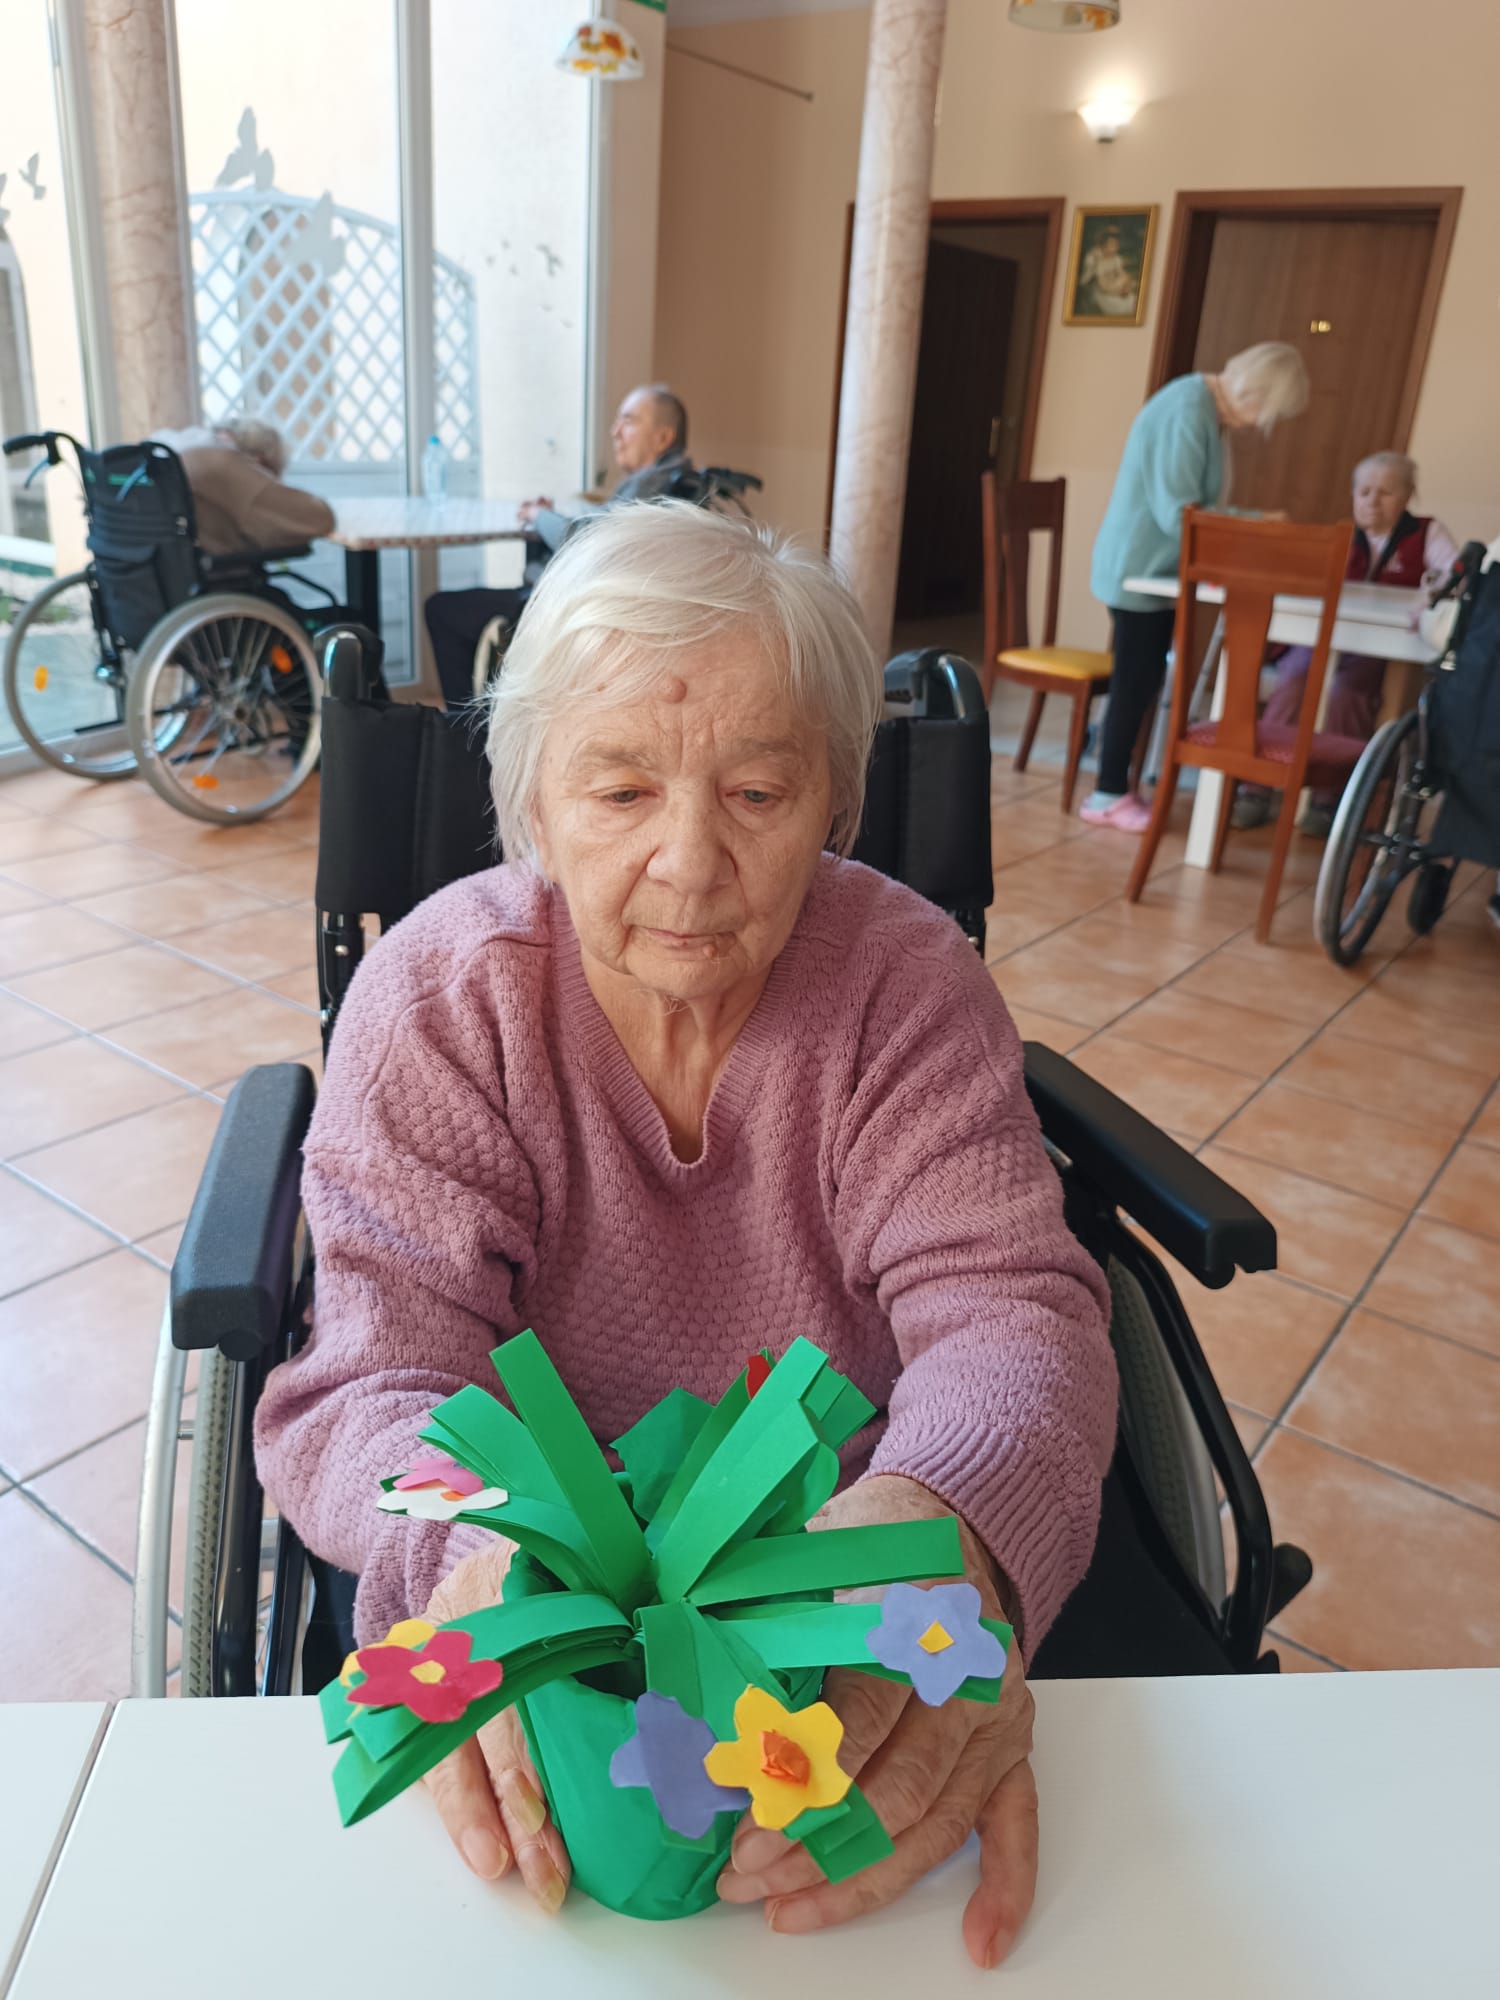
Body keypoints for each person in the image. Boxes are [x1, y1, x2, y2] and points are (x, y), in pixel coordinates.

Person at [254, 501, 1123, 1965]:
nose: (690, 860)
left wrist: (951, 1526)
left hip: (840, 1609)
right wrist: (477, 1569)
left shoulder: (906, 989)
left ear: (832, 797)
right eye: (620, 790)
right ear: (534, 802)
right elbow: (374, 1382)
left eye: (759, 791)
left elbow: (1011, 1316)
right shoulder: (444, 1002)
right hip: (548, 1642)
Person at [1082, 341, 1311, 833]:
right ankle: (1106, 793)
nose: (1263, 423)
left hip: (1160, 571)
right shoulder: (1187, 410)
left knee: (1144, 681)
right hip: (1139, 569)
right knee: (1135, 682)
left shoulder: (1206, 410)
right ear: (1256, 393)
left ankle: (1120, 786)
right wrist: (1259, 522)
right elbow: (1180, 513)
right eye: (1269, 411)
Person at [422, 383, 693, 708]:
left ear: (663, 438)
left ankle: (463, 731)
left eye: (629, 420)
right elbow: (606, 524)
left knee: (441, 609)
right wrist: (552, 515)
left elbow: (585, 537)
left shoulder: (652, 483)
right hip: (584, 600)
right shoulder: (673, 481)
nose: (615, 431)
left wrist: (538, 516)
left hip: (563, 609)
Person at [1232, 451, 1461, 835]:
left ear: (1408, 495)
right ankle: (1256, 787)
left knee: (1349, 690)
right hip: (1323, 638)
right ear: (1353, 495)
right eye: (1365, 492)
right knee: (1295, 676)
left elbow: (1455, 574)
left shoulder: (1426, 532)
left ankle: (1330, 797)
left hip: (1378, 646)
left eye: (1386, 492)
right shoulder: (1339, 536)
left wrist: (1435, 586)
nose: (1373, 501)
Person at [149, 419, 335, 555]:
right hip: (221, 584)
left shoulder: (171, 454)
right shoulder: (225, 466)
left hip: (158, 583)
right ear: (259, 462)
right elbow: (319, 518)